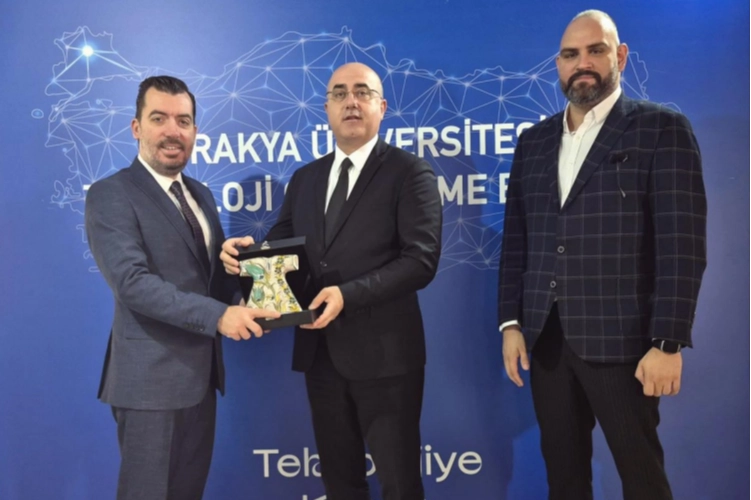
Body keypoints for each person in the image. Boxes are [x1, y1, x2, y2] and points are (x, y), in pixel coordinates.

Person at [497, 10, 706, 500]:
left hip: (624, 344)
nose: (582, 63)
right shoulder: (534, 142)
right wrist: (510, 322)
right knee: (564, 481)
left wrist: (668, 342)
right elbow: (517, 241)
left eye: (596, 51)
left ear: (621, 56)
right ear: (558, 65)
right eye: (571, 55)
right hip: (547, 341)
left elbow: (683, 245)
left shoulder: (661, 129)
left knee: (643, 480)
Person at [220, 62, 442, 500]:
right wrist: (244, 257)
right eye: (339, 93)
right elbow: (280, 251)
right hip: (320, 355)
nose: (350, 102)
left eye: (362, 92)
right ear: (327, 109)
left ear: (382, 107)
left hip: (386, 359)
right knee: (341, 485)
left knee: (399, 484)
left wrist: (347, 295)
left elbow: (421, 261)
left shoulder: (409, 172)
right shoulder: (306, 179)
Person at [85, 75, 279, 500]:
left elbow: (209, 282)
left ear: (194, 130)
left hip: (201, 381)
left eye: (184, 121)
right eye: (159, 118)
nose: (173, 131)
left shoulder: (201, 194)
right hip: (149, 385)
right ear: (136, 127)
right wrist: (220, 316)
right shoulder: (110, 194)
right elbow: (133, 284)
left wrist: (243, 281)